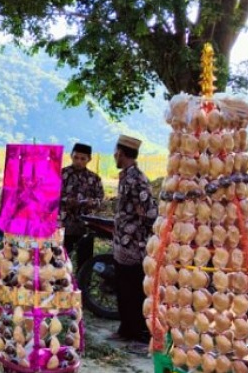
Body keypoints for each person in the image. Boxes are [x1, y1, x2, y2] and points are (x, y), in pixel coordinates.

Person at [111, 135, 157, 349]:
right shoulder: (126, 176)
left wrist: (142, 214)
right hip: (123, 242)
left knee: (134, 290)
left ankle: (137, 332)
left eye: (115, 152)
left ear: (120, 153)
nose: (114, 155)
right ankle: (126, 329)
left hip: (134, 245)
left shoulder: (137, 179)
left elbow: (151, 212)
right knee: (123, 288)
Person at [59, 142, 104, 269]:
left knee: (84, 263)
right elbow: (50, 196)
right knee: (60, 260)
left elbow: (100, 200)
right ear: (71, 156)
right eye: (76, 157)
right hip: (64, 225)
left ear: (89, 159)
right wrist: (66, 200)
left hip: (85, 227)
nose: (79, 161)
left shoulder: (94, 179)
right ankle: (61, 286)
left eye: (83, 158)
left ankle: (82, 286)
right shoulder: (61, 174)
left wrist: (92, 203)